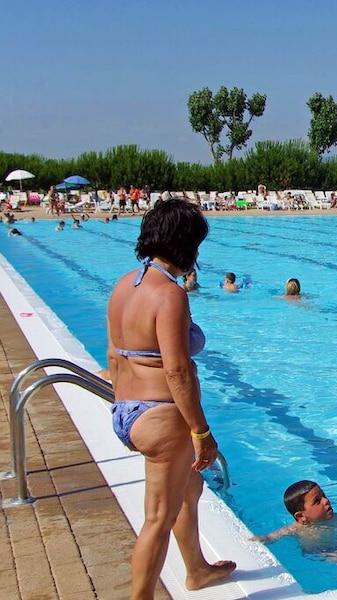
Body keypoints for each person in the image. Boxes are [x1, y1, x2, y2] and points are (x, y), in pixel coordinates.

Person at [106, 199, 235, 597]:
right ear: (186, 244)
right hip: (161, 415)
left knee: (190, 488)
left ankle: (196, 569)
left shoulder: (125, 285)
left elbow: (113, 355)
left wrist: (127, 409)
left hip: (127, 410)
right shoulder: (169, 295)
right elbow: (177, 370)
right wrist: (200, 431)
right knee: (158, 519)